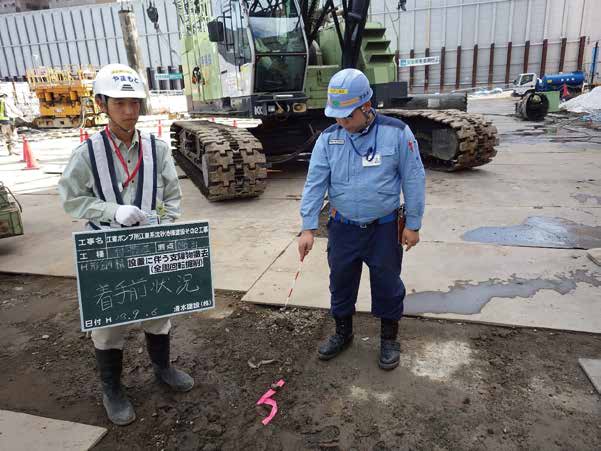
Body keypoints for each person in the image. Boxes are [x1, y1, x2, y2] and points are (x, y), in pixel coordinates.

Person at [58, 64, 193, 426]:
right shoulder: (88, 154)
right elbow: (71, 199)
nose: (130, 111)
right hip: (106, 250)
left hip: (149, 248)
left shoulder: (157, 149)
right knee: (109, 323)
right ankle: (112, 388)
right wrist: (111, 210)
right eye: (120, 103)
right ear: (102, 103)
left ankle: (162, 367)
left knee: (158, 311)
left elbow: (172, 197)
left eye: (135, 102)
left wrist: (160, 222)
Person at [298, 68, 425, 370]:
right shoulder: (329, 139)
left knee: (387, 283)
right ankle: (343, 333)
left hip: (383, 229)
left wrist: (414, 224)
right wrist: (307, 226)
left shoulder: (397, 133)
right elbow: (315, 182)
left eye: (347, 116)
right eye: (337, 117)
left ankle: (389, 339)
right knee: (340, 282)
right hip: (343, 228)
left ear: (366, 107)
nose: (341, 122)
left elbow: (414, 178)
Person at [0, 92, 21, 156]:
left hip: (1, 123)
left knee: (6, 136)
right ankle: (13, 150)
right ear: (4, 96)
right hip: (8, 121)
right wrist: (21, 114)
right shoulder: (6, 101)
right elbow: (14, 109)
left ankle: (10, 151)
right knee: (13, 135)